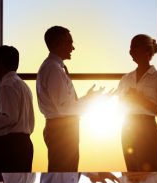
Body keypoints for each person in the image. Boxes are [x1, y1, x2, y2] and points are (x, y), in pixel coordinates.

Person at [36, 26, 106, 172]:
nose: (73, 48)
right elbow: (64, 108)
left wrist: (87, 98)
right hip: (62, 130)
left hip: (61, 128)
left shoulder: (54, 67)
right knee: (65, 172)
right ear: (58, 43)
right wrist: (89, 102)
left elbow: (64, 105)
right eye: (69, 43)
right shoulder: (54, 69)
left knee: (65, 172)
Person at [116, 34, 157, 172]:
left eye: (135, 47)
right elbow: (119, 107)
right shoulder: (125, 79)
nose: (131, 51)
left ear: (147, 51)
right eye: (130, 48)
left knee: (150, 175)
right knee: (132, 174)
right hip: (127, 128)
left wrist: (141, 101)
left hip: (148, 128)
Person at [0, 45, 35, 172]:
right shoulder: (21, 84)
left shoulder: (7, 86)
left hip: (10, 146)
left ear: (0, 63)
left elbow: (9, 118)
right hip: (23, 145)